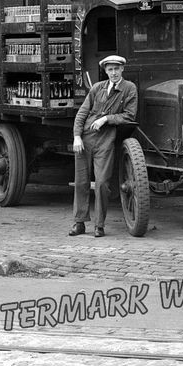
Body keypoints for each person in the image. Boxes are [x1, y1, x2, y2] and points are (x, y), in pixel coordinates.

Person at [70, 54, 138, 238]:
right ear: (105, 71)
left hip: (106, 139)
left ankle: (99, 225)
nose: (114, 73)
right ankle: (79, 223)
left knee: (101, 183)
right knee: (82, 181)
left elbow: (130, 116)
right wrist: (77, 137)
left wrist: (106, 119)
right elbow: (82, 114)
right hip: (85, 139)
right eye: (110, 69)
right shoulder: (97, 88)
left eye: (117, 69)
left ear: (122, 69)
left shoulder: (129, 89)